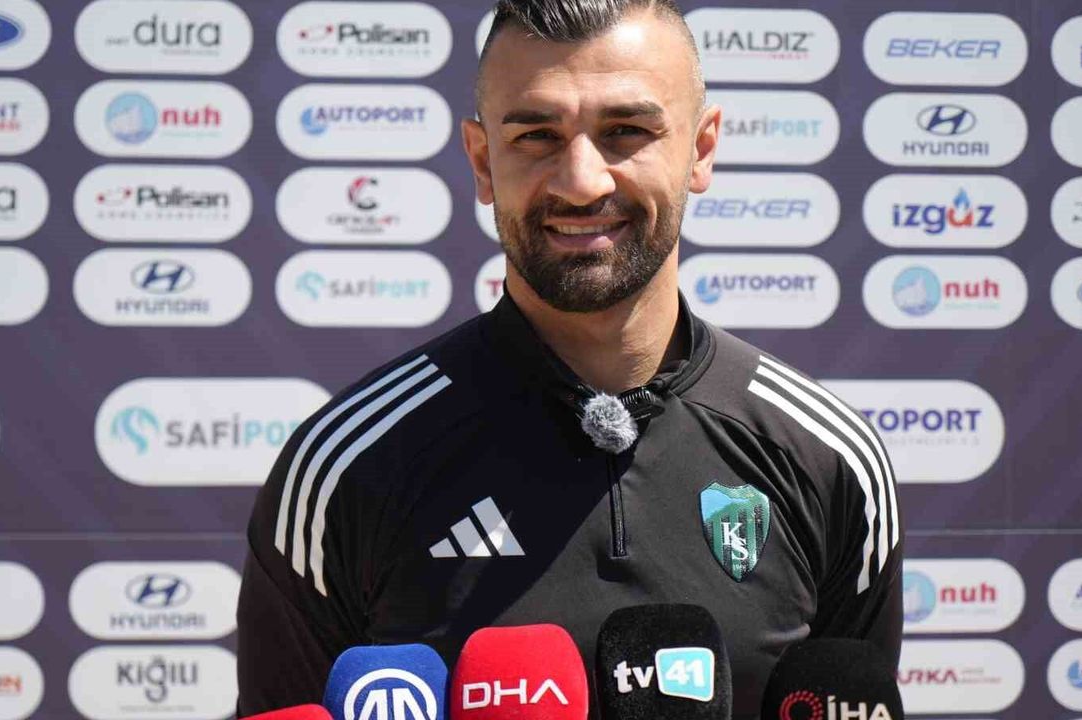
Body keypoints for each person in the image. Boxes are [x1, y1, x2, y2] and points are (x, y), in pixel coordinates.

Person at [237, 0, 903, 715]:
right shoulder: (347, 468)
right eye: (536, 136)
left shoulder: (828, 459)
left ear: (701, 149)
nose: (582, 182)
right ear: (483, 160)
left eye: (626, 132)